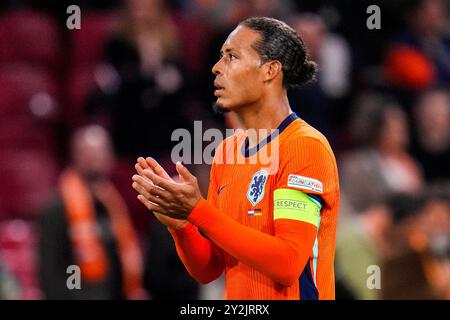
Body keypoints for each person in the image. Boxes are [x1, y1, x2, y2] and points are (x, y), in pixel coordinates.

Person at [132, 17, 340, 300]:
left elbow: (288, 262)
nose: (216, 68)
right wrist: (182, 226)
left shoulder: (304, 146)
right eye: (220, 57)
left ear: (269, 70)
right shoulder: (227, 153)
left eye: (232, 57)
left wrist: (199, 211)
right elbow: (210, 268)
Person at [39, 125, 143, 299]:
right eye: (88, 153)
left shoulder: (113, 205)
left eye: (101, 152)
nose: (96, 158)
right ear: (75, 156)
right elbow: (50, 275)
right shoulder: (56, 209)